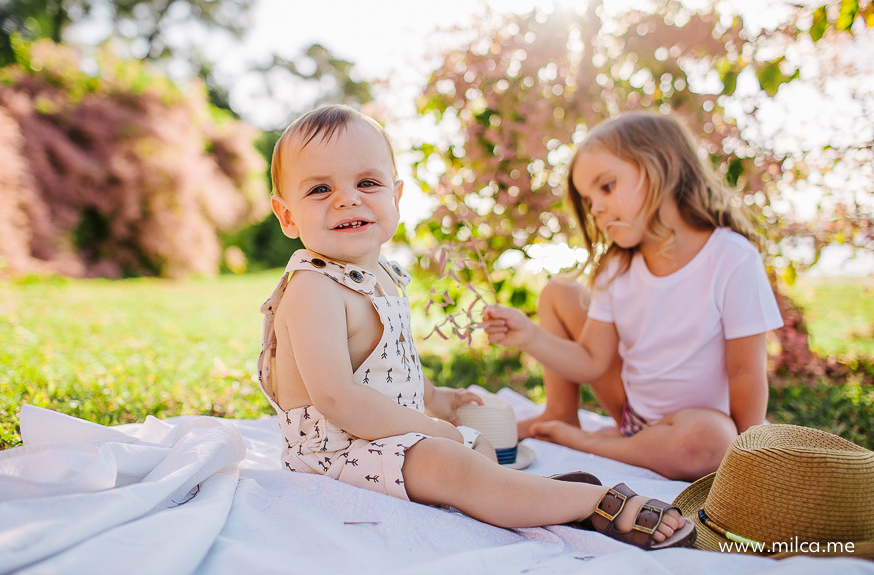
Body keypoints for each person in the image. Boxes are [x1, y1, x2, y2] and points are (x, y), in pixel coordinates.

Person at [255, 104, 694, 550]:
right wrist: (432, 429)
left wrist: (435, 399)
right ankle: (592, 502)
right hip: (335, 452)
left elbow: (388, 367)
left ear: (396, 197)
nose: (347, 198)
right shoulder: (314, 289)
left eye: (367, 183)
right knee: (452, 461)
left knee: (478, 448)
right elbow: (336, 397)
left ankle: (528, 496)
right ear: (287, 215)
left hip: (382, 437)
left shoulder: (382, 276)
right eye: (319, 189)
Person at [483, 112, 784, 482]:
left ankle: (589, 443)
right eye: (588, 199)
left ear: (665, 166)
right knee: (558, 292)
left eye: (606, 187)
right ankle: (561, 415)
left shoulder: (731, 258)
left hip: (699, 426)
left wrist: (745, 454)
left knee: (711, 442)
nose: (596, 208)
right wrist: (529, 336)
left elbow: (746, 372)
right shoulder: (617, 267)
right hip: (632, 416)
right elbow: (593, 361)